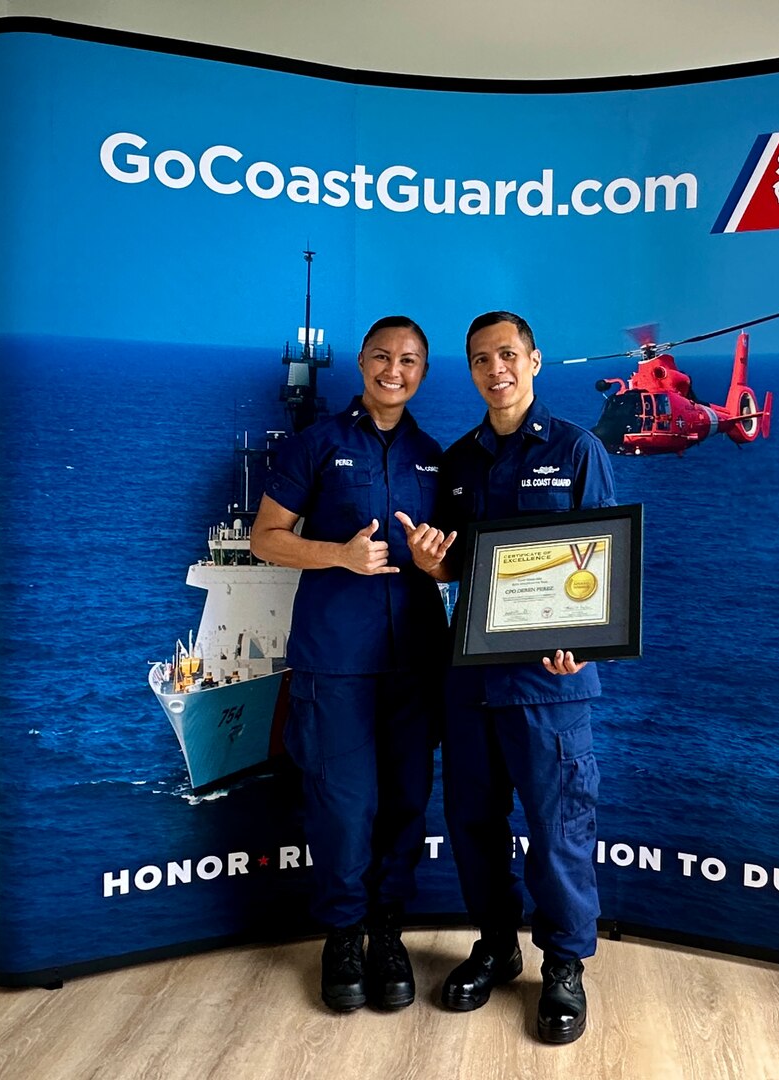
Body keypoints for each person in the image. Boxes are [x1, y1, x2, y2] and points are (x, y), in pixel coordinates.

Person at [400, 310, 616, 1044]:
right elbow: (460, 568)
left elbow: (606, 561)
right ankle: (495, 945)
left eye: (507, 354)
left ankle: (563, 967)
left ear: (534, 360)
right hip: (470, 682)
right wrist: (435, 565)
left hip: (550, 685)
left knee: (558, 830)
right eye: (481, 359)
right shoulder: (457, 463)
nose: (496, 368)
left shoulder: (577, 449)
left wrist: (585, 643)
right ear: (471, 371)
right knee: (472, 826)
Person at [251, 315, 451, 1013]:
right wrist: (337, 555)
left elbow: (454, 560)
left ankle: (388, 931)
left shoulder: (435, 456)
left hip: (415, 664)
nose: (394, 370)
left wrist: (437, 564)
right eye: (382, 357)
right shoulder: (316, 445)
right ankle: (342, 933)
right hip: (334, 661)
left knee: (404, 804)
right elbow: (265, 539)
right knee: (344, 806)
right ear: (362, 363)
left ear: (423, 372)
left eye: (410, 361)